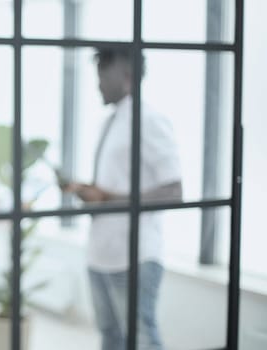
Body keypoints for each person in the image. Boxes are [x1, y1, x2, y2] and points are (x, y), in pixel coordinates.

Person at [62, 47, 183, 350]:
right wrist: (88, 190)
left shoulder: (149, 120)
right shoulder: (112, 120)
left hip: (134, 257)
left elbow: (174, 191)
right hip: (102, 255)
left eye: (103, 74)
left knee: (141, 338)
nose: (97, 83)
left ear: (127, 75)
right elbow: (115, 187)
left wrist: (106, 197)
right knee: (111, 339)